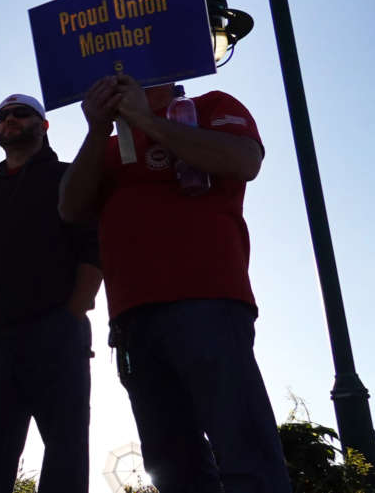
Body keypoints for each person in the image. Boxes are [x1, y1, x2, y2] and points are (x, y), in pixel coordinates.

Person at [58, 75, 291, 493]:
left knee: (243, 447)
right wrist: (97, 129)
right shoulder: (108, 147)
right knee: (172, 462)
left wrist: (144, 118)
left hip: (207, 299)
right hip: (132, 317)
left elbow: (243, 161)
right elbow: (71, 207)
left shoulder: (212, 106)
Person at [0, 94, 101, 493]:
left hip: (54, 329)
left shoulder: (69, 176)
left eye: (21, 113)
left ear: (43, 125)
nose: (9, 120)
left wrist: (75, 311)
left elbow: (93, 245)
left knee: (64, 453)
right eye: (2, 117)